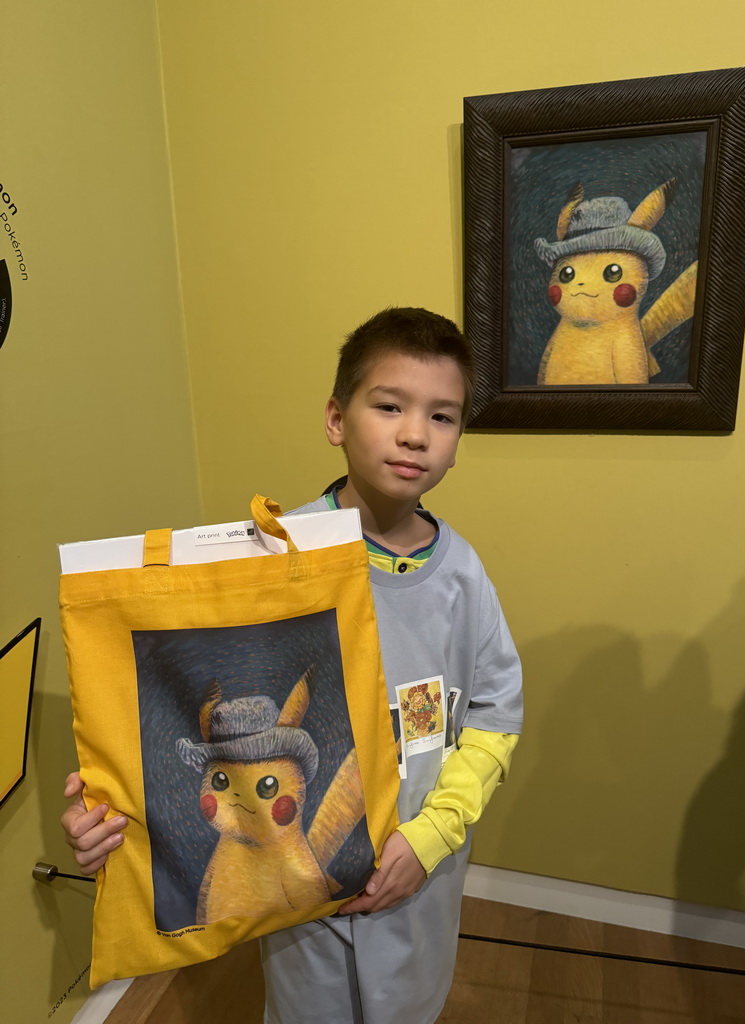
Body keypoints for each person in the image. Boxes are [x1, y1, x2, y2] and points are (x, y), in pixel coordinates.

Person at [62, 307, 524, 1024]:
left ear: (460, 440)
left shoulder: (462, 576)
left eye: (443, 417)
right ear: (338, 419)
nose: (414, 434)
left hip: (417, 878)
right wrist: (116, 803)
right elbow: (194, 714)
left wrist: (429, 836)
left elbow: (497, 712)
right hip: (299, 894)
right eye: (390, 406)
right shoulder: (274, 564)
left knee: (410, 1006)